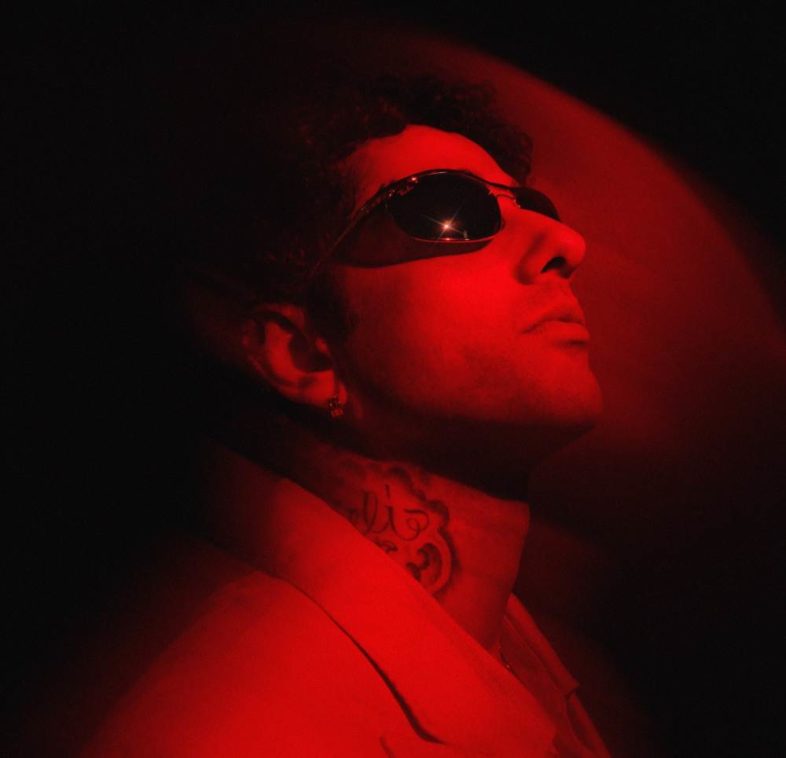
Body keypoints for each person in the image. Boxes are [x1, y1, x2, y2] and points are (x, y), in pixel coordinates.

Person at [82, 65, 614, 756]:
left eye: (535, 207)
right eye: (450, 209)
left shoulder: (508, 646)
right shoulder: (246, 729)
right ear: (300, 353)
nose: (566, 244)